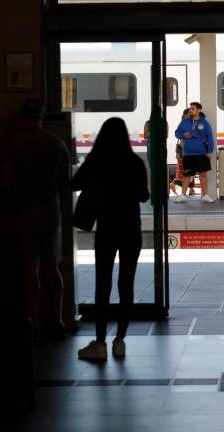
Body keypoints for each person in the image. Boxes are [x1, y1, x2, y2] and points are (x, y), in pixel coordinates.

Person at [72, 118, 149, 361]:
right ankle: (120, 342)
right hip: (130, 229)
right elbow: (144, 196)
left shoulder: (97, 160)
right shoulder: (135, 162)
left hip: (107, 228)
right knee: (126, 285)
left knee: (102, 286)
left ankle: (100, 343)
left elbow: (73, 184)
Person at [5, 99, 69, 339]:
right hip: (51, 210)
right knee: (52, 266)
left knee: (30, 267)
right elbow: (65, 184)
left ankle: (34, 321)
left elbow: (6, 181)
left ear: (22, 118)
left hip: (23, 210)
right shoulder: (56, 143)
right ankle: (59, 319)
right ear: (42, 118)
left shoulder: (13, 144)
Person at [174, 102, 216, 203]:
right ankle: (183, 195)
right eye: (190, 108)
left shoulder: (205, 123)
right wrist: (184, 135)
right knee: (186, 175)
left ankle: (205, 195)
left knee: (203, 175)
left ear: (198, 110)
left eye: (193, 108)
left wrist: (210, 151)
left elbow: (210, 138)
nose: (190, 110)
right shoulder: (184, 122)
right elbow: (177, 133)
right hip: (188, 154)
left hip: (202, 154)